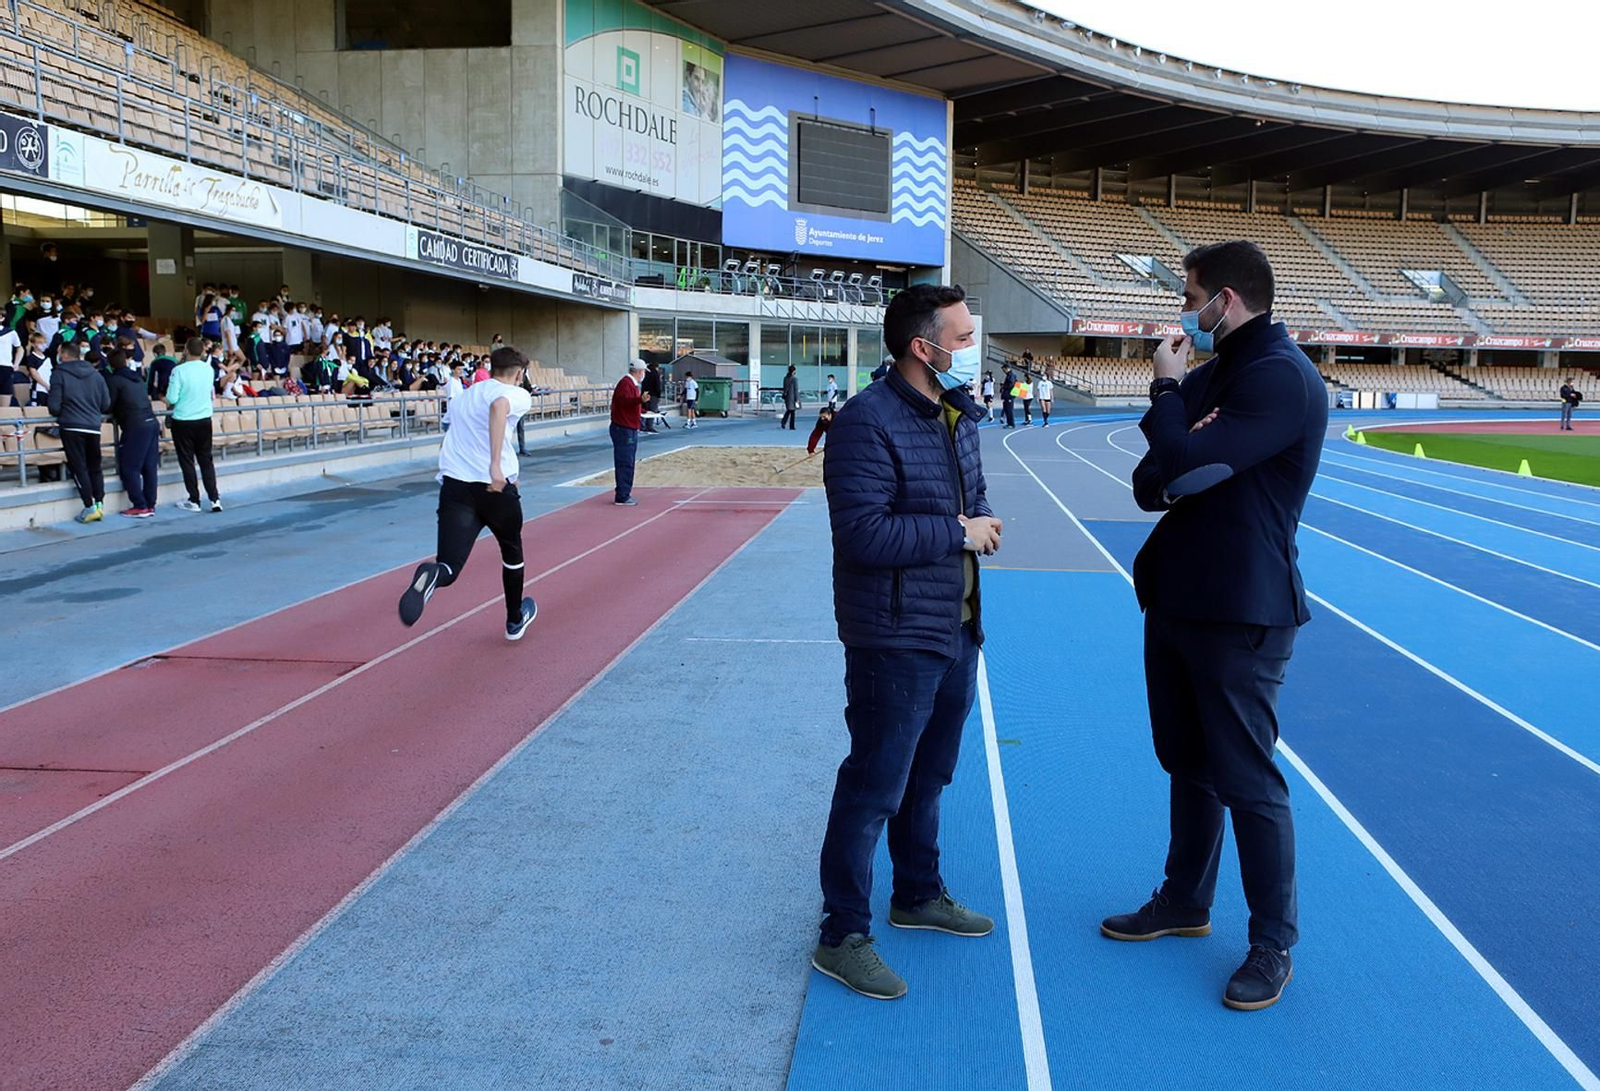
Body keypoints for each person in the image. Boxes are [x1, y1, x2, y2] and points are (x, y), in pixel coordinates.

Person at [1108, 240, 1328, 1013]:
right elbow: (1151, 480)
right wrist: (1180, 440)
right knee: (1186, 761)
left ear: (1225, 300)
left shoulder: (1278, 378)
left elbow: (1182, 463)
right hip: (1178, 595)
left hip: (1243, 607)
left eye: (1189, 294)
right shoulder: (1217, 373)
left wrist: (1168, 399)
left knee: (1247, 778)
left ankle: (1272, 943)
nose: (1183, 310)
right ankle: (1185, 899)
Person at [812, 283, 1002, 1001]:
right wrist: (958, 531)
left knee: (931, 775)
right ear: (924, 348)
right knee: (875, 784)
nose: (969, 347)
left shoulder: (958, 415)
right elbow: (862, 535)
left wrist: (975, 520)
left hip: (954, 626)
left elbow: (970, 500)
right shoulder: (866, 423)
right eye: (960, 335)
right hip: (892, 635)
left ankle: (918, 891)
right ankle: (842, 933)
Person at [397, 345, 538, 642]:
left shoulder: (465, 397)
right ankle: (514, 621)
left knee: (449, 565)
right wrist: (497, 466)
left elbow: (456, 434)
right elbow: (499, 408)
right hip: (494, 488)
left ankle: (434, 574)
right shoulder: (516, 393)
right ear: (519, 373)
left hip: (455, 486)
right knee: (512, 552)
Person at [47, 341, 111, 523]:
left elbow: (53, 406)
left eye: (59, 352)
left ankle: (89, 506)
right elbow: (106, 404)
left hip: (71, 426)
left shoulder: (59, 374)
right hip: (93, 426)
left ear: (65, 355)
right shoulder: (97, 375)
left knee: (79, 467)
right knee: (95, 467)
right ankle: (99, 504)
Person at [163, 336, 222, 513]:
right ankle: (214, 499)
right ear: (203, 351)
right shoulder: (208, 369)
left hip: (183, 421)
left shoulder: (178, 370)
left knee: (187, 461)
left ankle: (194, 500)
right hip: (204, 420)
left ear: (186, 350)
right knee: (206, 460)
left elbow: (172, 398)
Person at [106, 348, 160, 517]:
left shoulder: (114, 380)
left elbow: (109, 404)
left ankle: (139, 505)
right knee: (149, 467)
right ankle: (150, 504)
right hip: (151, 422)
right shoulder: (137, 378)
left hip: (135, 425)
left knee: (130, 467)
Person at [609, 360, 646, 506]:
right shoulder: (626, 384)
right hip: (624, 428)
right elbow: (625, 402)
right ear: (639, 371)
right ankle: (623, 495)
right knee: (626, 461)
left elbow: (627, 404)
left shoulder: (630, 385)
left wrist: (642, 409)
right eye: (643, 371)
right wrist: (639, 400)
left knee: (627, 460)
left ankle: (623, 492)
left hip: (627, 427)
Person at [640, 360, 663, 433]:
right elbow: (657, 385)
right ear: (657, 367)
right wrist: (659, 395)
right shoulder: (655, 373)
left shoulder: (645, 373)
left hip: (644, 394)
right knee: (652, 411)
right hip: (653, 395)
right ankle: (649, 426)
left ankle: (642, 426)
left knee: (644, 410)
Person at [781, 364, 799, 430]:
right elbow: (796, 390)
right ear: (793, 371)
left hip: (787, 397)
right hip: (792, 397)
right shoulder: (794, 379)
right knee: (792, 412)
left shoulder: (785, 378)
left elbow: (784, 388)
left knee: (789, 410)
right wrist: (797, 399)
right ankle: (791, 426)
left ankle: (783, 421)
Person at [1001, 363, 1017, 428]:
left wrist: (1004, 386)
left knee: (1009, 409)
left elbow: (1011, 384)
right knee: (1007, 409)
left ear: (1007, 368)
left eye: (1004, 369)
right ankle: (1009, 423)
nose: (1003, 371)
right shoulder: (1009, 375)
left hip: (1009, 395)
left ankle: (1011, 424)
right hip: (1007, 395)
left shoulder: (1011, 375)